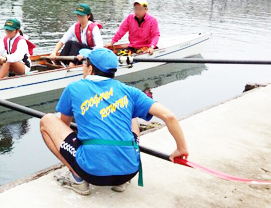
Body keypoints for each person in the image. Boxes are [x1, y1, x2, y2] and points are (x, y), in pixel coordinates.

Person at [40, 48, 188, 195]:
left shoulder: (74, 88)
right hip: (129, 170)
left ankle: (77, 179)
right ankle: (121, 182)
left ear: (90, 68)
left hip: (92, 173)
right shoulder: (130, 91)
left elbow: (63, 126)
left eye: (85, 63)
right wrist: (181, 149)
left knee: (47, 120)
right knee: (131, 115)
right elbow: (170, 117)